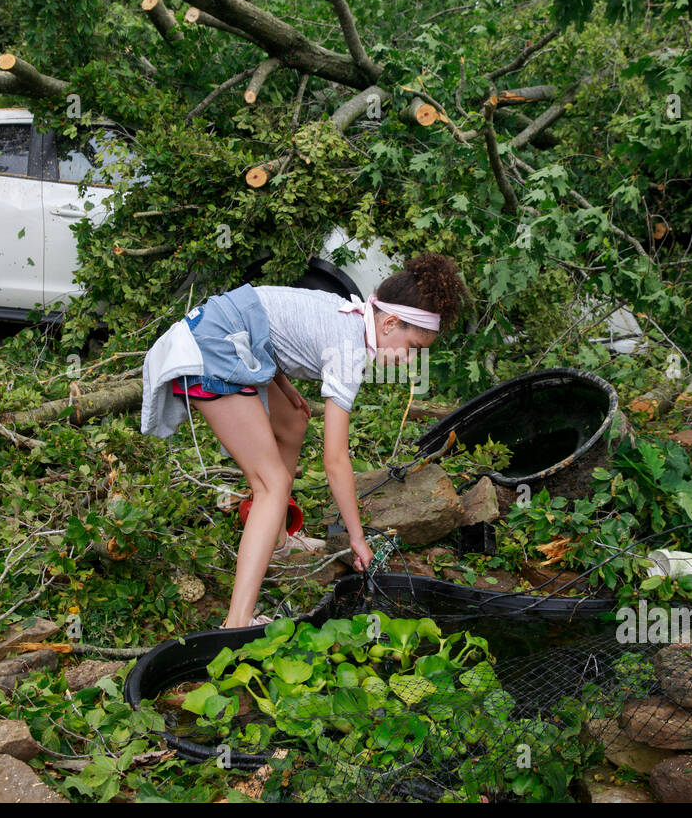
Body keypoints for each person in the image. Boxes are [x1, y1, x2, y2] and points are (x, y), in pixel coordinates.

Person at [140, 253, 465, 629]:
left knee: (294, 421)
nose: (410, 361)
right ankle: (237, 620)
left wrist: (281, 382)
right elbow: (336, 460)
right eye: (413, 349)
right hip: (213, 348)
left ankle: (277, 541)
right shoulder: (350, 349)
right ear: (390, 322)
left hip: (228, 334)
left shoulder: (348, 314)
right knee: (272, 484)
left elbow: (269, 322)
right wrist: (356, 538)